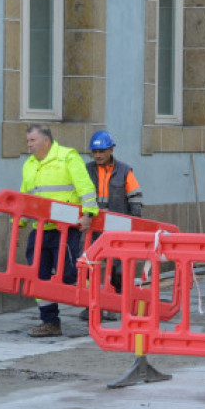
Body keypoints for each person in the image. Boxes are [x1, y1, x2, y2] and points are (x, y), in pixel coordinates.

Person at [21, 124, 99, 337]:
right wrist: (18, 221)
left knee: (68, 273)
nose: (29, 145)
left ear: (46, 141)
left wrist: (89, 214)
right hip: (40, 229)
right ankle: (50, 322)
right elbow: (25, 196)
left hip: (64, 229)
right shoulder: (29, 164)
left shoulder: (67, 157)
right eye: (28, 141)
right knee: (39, 277)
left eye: (32, 140)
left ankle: (97, 300)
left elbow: (86, 187)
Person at [78, 130, 144, 321]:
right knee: (89, 265)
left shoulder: (124, 171)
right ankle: (90, 304)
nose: (98, 155)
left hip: (118, 227)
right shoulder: (87, 170)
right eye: (95, 152)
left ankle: (117, 303)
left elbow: (135, 197)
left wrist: (135, 222)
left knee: (118, 266)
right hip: (93, 227)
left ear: (111, 150)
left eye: (102, 151)